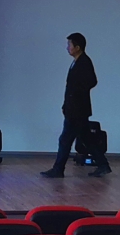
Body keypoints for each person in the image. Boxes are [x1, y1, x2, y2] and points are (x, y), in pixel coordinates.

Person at [41, 33, 107, 178]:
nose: (67, 48)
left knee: (65, 139)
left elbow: (91, 81)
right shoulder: (76, 62)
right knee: (87, 139)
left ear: (77, 47)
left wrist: (76, 94)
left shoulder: (84, 62)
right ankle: (103, 165)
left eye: (69, 45)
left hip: (77, 110)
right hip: (74, 108)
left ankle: (58, 169)